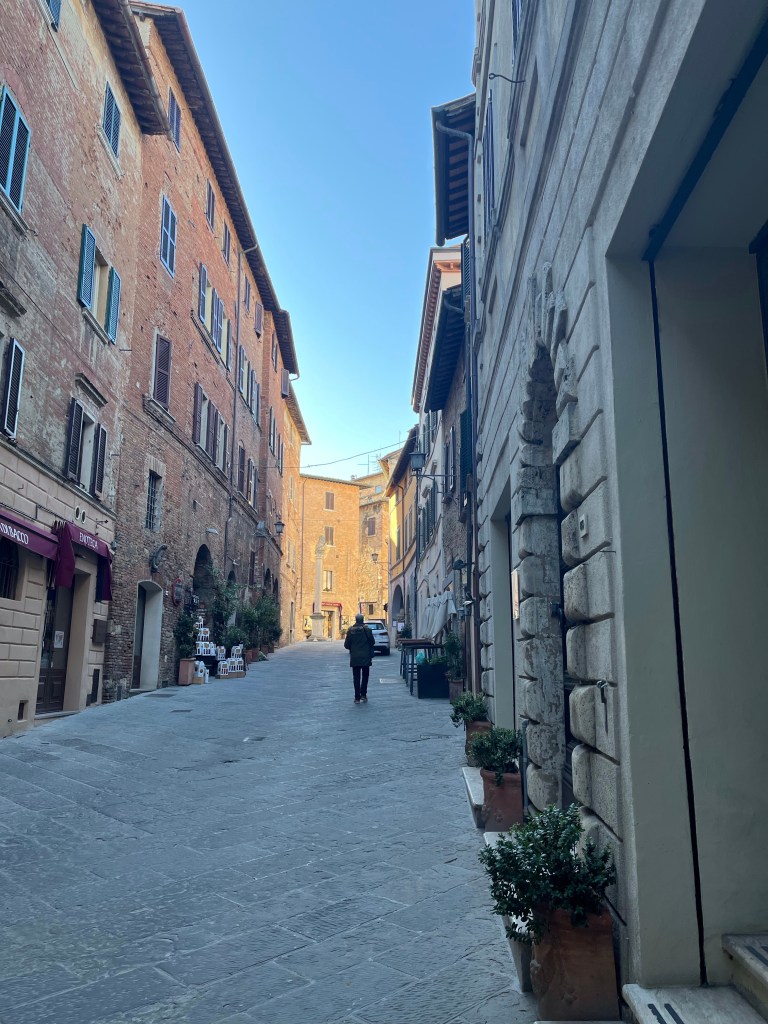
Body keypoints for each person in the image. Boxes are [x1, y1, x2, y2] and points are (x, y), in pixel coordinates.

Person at [344, 613, 375, 703]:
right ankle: (363, 695)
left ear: (356, 620)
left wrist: (353, 647)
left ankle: (357, 697)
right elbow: (372, 642)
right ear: (362, 620)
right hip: (365, 656)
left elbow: (346, 645)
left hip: (355, 657)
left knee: (356, 677)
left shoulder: (350, 631)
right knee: (365, 676)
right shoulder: (367, 630)